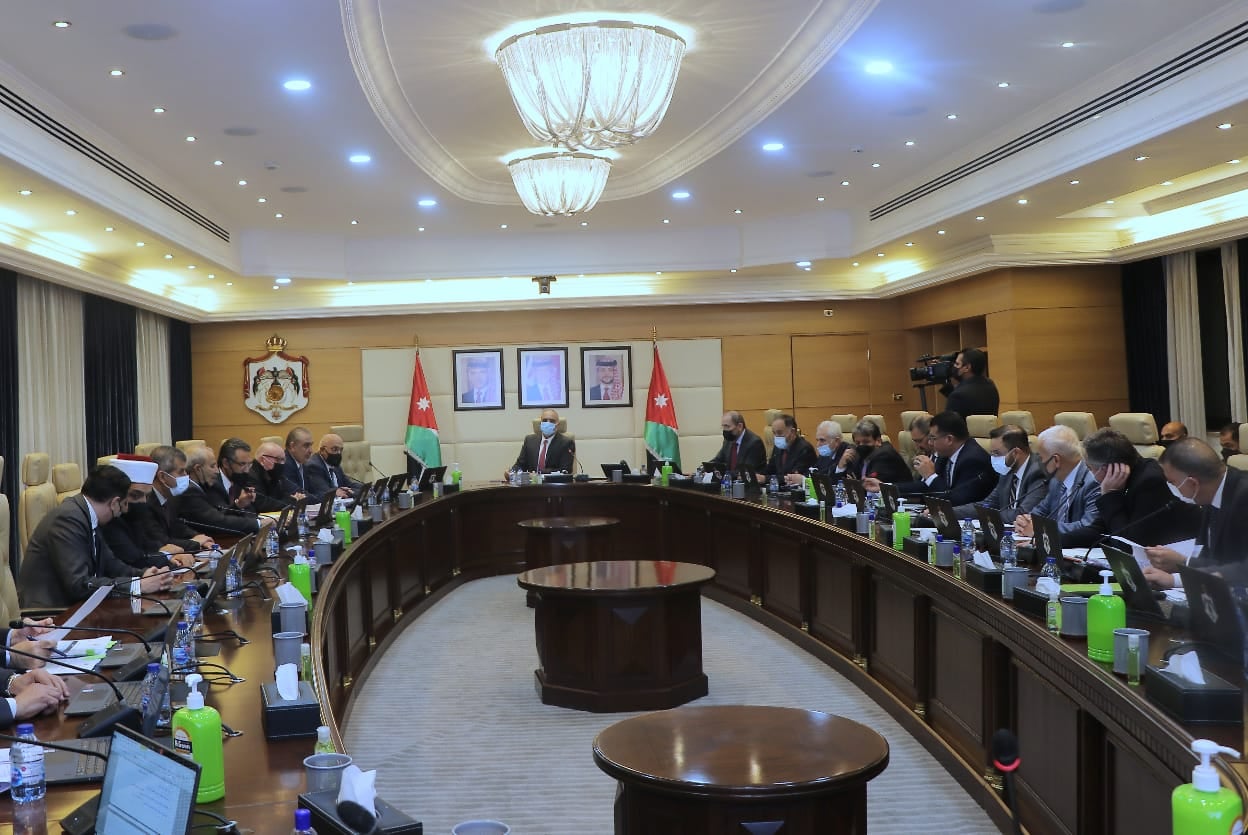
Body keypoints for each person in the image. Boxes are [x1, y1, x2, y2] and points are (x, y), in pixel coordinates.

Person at [18, 464, 178, 609]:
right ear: (114, 503)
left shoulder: (87, 514)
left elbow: (111, 564)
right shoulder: (68, 519)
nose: (125, 511)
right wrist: (138, 586)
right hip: (52, 614)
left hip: (78, 607)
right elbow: (79, 584)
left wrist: (144, 575)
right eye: (124, 504)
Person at [1142, 438, 1248, 589]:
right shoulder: (1211, 494)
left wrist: (1176, 577)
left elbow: (1243, 570)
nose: (1173, 489)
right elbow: (1214, 560)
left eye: (1172, 482)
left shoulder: (1244, 496)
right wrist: (1183, 564)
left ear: (1192, 483)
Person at [1083, 427, 1199, 547]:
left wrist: (1110, 496)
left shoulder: (1149, 483)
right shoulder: (1129, 476)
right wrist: (1067, 542)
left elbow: (1129, 545)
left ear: (1107, 470)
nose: (1090, 473)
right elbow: (1099, 529)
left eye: (1090, 468)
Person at [875, 411, 994, 506]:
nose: (930, 443)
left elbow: (957, 500)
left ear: (949, 439)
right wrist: (885, 487)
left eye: (933, 438)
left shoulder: (973, 459)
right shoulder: (947, 455)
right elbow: (926, 487)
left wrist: (931, 476)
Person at [100, 457, 195, 570]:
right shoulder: (109, 521)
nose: (143, 501)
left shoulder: (136, 515)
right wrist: (166, 555)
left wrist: (169, 553)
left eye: (147, 496)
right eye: (135, 495)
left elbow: (147, 543)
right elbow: (134, 559)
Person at [1013, 425, 1102, 548]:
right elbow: (1040, 511)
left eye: (1041, 458)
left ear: (1056, 460)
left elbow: (1088, 527)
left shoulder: (1093, 481)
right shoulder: (1056, 480)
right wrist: (1024, 522)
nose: (1040, 463)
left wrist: (1040, 529)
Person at [954, 424, 1047, 522]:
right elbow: (987, 505)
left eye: (997, 453)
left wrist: (988, 515)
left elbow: (1023, 514)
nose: (993, 458)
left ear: (1016, 453)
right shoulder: (1007, 471)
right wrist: (950, 512)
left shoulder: (1038, 472)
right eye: (992, 453)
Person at [177, 445, 274, 537]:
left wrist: (238, 505)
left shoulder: (201, 486)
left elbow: (220, 516)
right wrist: (258, 524)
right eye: (212, 466)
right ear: (198, 469)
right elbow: (218, 521)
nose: (216, 471)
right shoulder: (190, 491)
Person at [143, 445, 216, 555]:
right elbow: (162, 541)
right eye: (181, 472)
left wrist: (198, 536)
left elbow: (177, 526)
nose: (186, 476)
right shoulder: (146, 503)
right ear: (162, 477)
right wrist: (195, 543)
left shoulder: (171, 496)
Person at [836, 418, 911, 483]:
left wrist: (855, 483)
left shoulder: (885, 454)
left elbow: (870, 485)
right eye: (858, 443)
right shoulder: (858, 454)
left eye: (866, 442)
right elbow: (842, 482)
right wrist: (841, 466)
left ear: (878, 441)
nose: (861, 446)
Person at [942, 347, 1000, 418]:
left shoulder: (957, 396)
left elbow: (949, 424)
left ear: (967, 368)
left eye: (957, 364)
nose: (954, 366)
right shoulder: (990, 385)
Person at [306, 433, 364, 501]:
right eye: (334, 449)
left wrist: (366, 488)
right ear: (322, 450)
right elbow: (326, 493)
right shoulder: (314, 466)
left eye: (341, 450)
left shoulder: (335, 465)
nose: (338, 453)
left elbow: (349, 484)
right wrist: (341, 492)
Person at [247, 441, 300, 509]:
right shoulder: (250, 475)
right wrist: (292, 501)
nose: (282, 463)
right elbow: (261, 503)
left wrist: (294, 497)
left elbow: (279, 496)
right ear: (263, 460)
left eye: (283, 460)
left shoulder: (272, 474)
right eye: (278, 459)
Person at [764, 414, 815, 480]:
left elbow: (792, 478)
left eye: (779, 433)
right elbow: (770, 469)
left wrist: (765, 478)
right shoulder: (778, 447)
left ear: (792, 432)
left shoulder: (805, 449)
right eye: (774, 433)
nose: (776, 437)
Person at [283, 426, 316, 496]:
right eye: (306, 446)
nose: (311, 451)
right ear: (292, 446)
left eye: (311, 445)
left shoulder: (302, 463)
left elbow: (312, 491)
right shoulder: (285, 465)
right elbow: (297, 495)